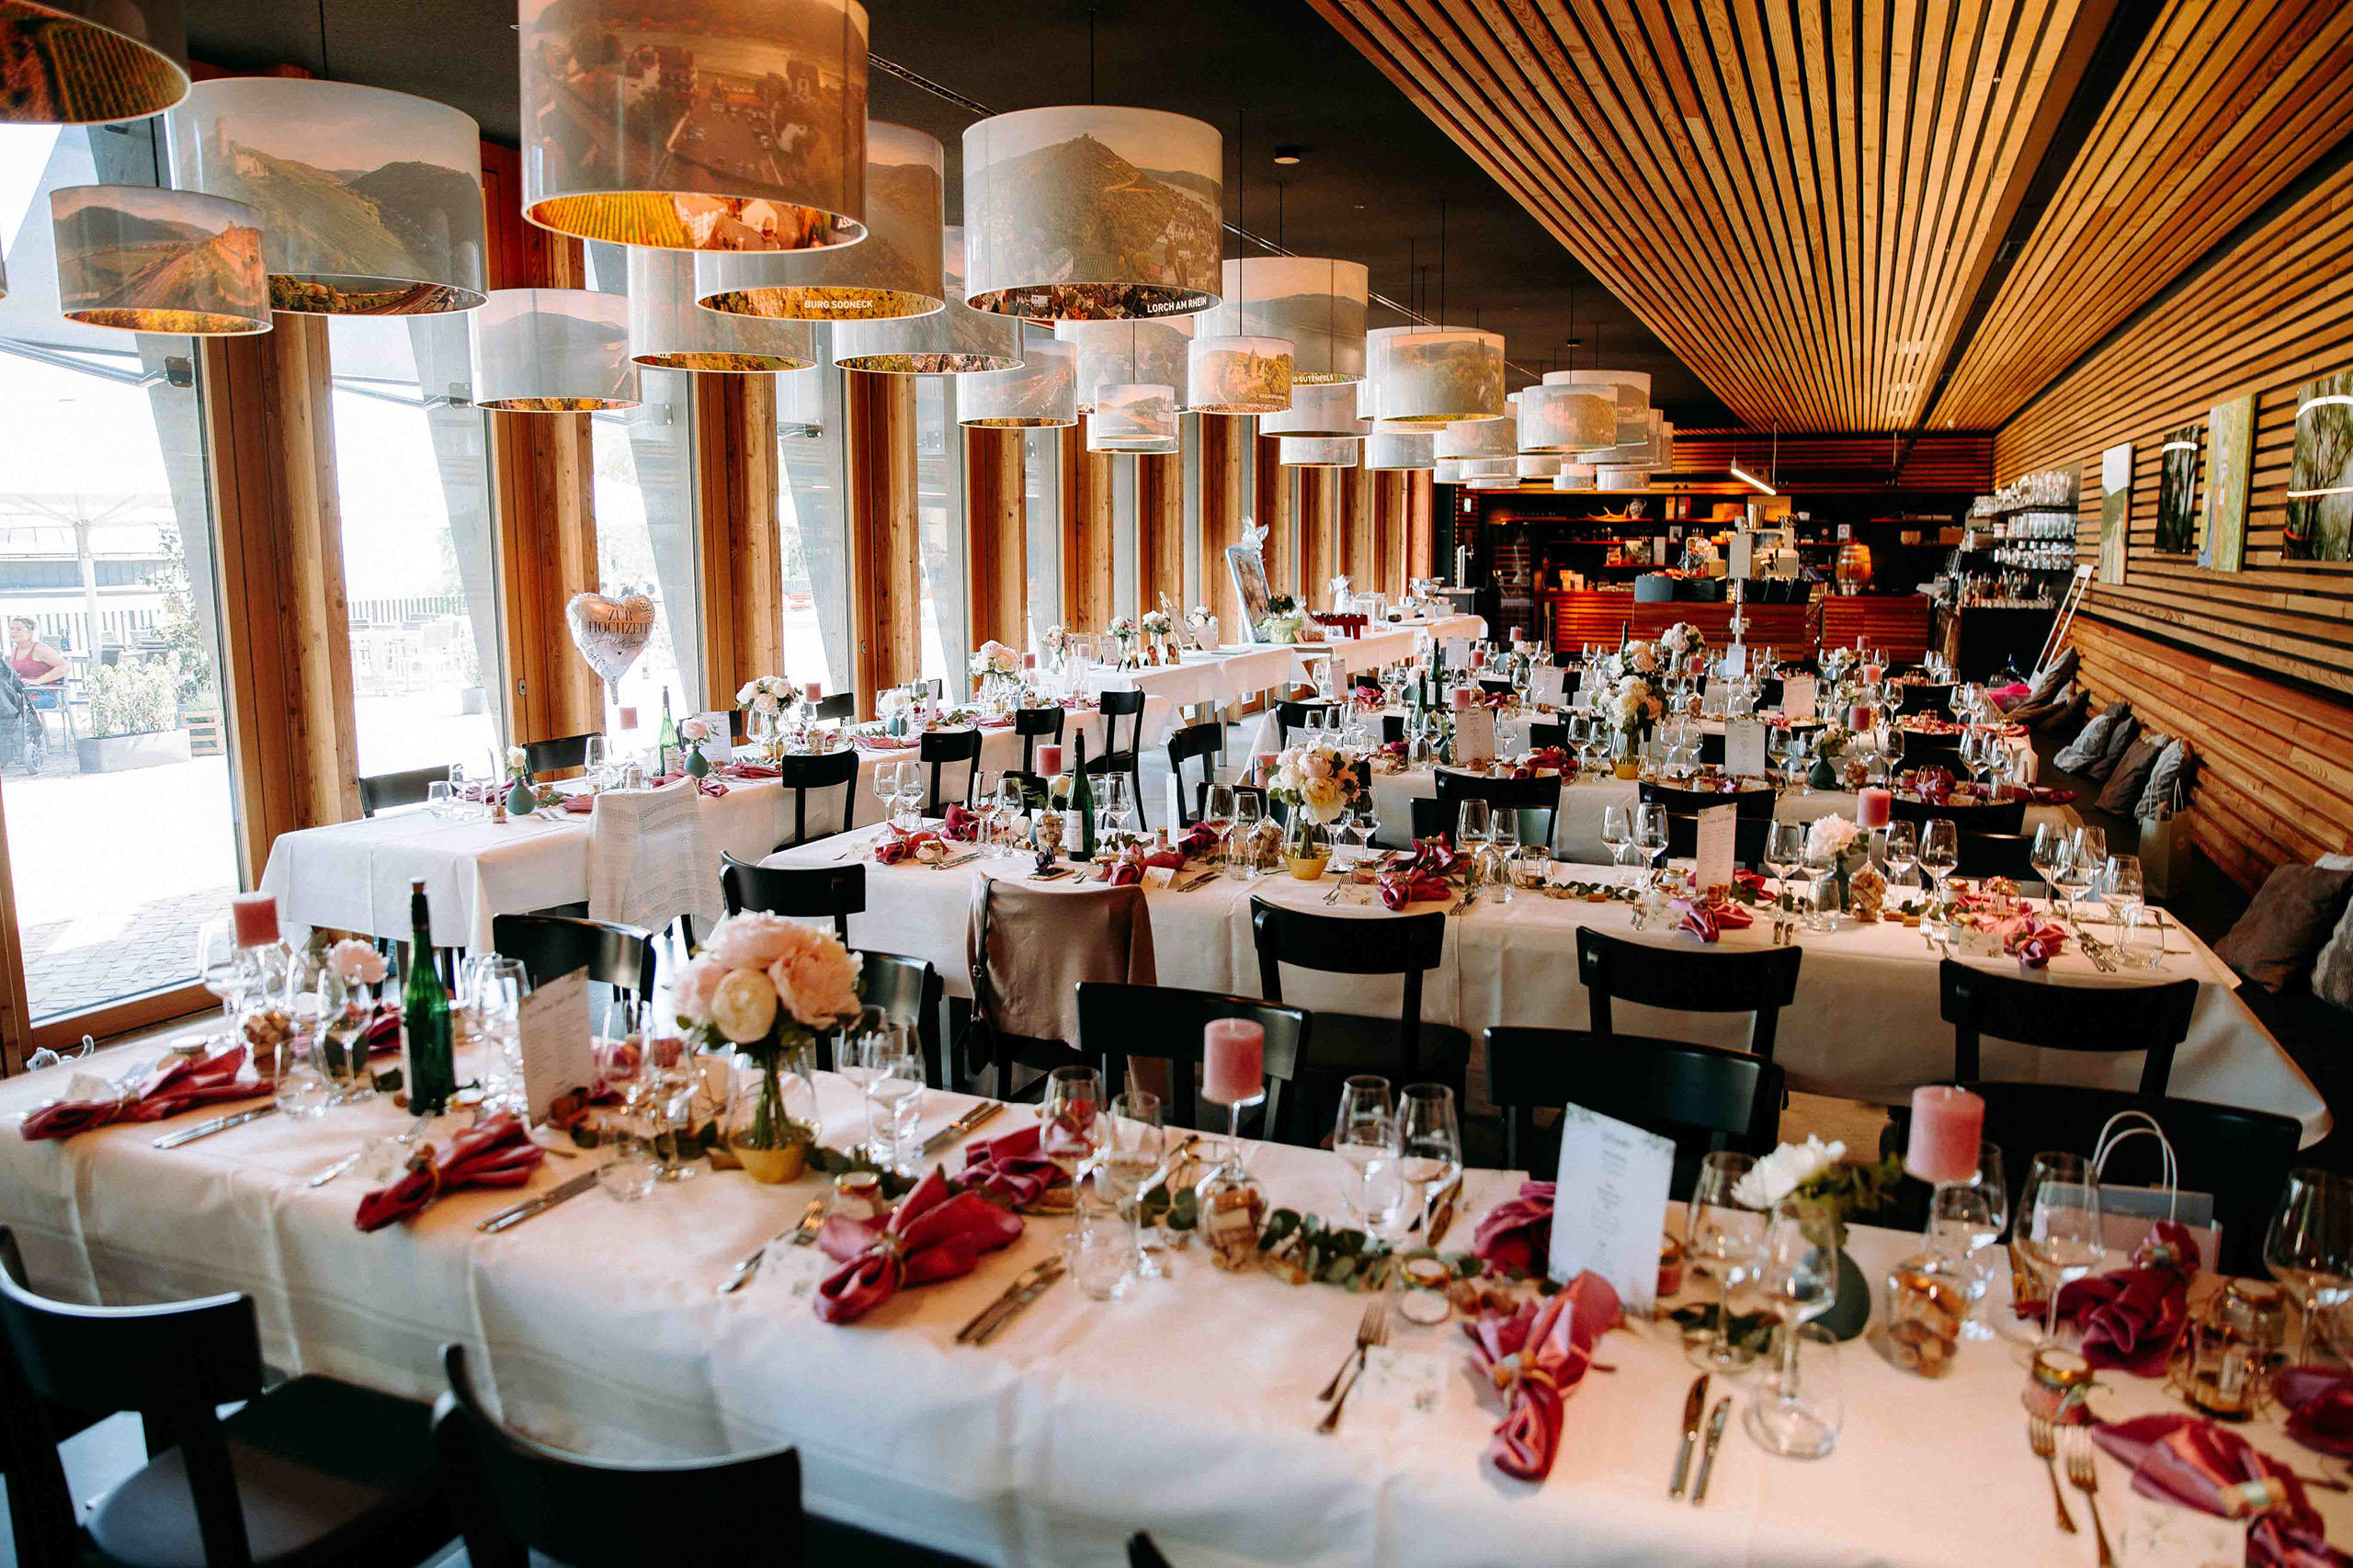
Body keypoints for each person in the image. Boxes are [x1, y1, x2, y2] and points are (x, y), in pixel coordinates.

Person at [7, 618, 66, 687]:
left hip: (42, 691)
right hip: (23, 691)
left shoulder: (39, 648)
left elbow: (64, 666)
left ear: (30, 632)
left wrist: (37, 681)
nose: (14, 632)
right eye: (12, 629)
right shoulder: (15, 649)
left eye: (19, 629)